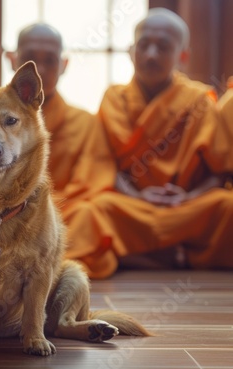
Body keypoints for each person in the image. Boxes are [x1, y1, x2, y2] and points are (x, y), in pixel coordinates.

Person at [65, 8, 233, 279]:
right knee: (90, 211)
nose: (151, 55)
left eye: (163, 47)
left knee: (227, 206)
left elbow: (218, 170)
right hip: (131, 206)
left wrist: (189, 197)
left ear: (183, 55)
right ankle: (176, 256)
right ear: (132, 51)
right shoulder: (114, 98)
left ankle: (138, 256)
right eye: (144, 46)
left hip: (186, 208)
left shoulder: (199, 100)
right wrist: (136, 196)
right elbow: (104, 165)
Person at [6, 23, 101, 212]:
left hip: (63, 211)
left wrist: (34, 211)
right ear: (12, 60)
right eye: (29, 60)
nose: (39, 70)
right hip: (1, 215)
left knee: (90, 212)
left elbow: (88, 185)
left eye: (49, 60)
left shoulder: (86, 123)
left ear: (64, 65)